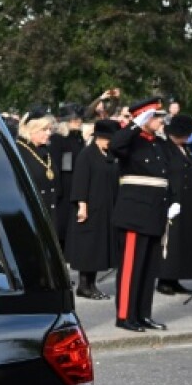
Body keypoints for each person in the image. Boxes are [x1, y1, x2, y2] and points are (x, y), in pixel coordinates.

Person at [109, 97, 173, 332]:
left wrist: (173, 201)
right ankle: (125, 315)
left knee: (148, 269)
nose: (160, 121)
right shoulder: (131, 141)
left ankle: (143, 314)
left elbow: (168, 175)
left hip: (156, 211)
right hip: (134, 213)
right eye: (155, 117)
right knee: (131, 268)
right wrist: (135, 124)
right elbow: (115, 145)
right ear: (144, 118)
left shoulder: (159, 143)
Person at [66, 119, 120, 299]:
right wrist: (82, 205)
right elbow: (80, 181)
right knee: (88, 247)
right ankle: (84, 285)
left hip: (105, 207)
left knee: (98, 247)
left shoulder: (109, 155)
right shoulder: (87, 155)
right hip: (90, 206)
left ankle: (92, 284)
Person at [156, 113, 192, 296]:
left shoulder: (184, 148)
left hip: (187, 200)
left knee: (183, 240)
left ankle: (176, 278)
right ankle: (165, 279)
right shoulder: (165, 148)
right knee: (171, 241)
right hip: (172, 199)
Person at [16, 113, 61, 234]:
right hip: (31, 216)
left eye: (50, 129)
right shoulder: (19, 151)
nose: (49, 133)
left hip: (50, 213)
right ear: (32, 129)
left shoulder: (44, 150)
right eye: (44, 129)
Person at [50, 104, 86, 248]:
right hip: (63, 185)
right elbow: (56, 165)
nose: (78, 122)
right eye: (74, 119)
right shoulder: (58, 139)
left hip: (75, 183)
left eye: (79, 119)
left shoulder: (78, 138)